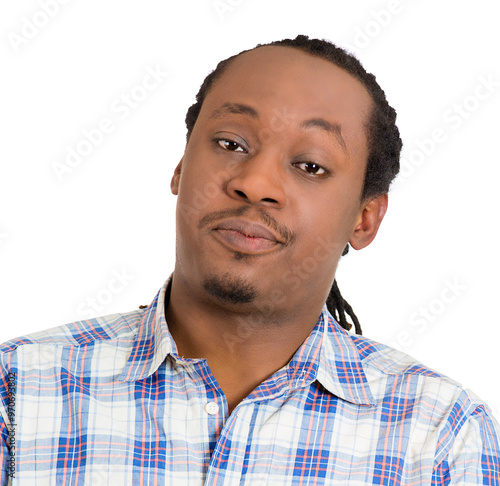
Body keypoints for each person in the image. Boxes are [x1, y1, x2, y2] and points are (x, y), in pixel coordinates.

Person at [1, 35, 498, 485]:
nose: (255, 183)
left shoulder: (441, 438)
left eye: (310, 165)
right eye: (231, 143)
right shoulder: (16, 393)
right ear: (180, 168)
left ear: (364, 219)